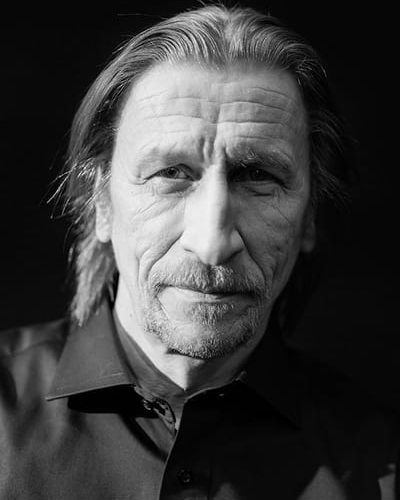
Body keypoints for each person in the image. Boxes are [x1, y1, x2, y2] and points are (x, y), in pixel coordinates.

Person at [0, 4, 398, 499]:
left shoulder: (382, 464)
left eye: (258, 176)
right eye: (170, 173)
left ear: (311, 214)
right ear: (100, 201)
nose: (212, 243)